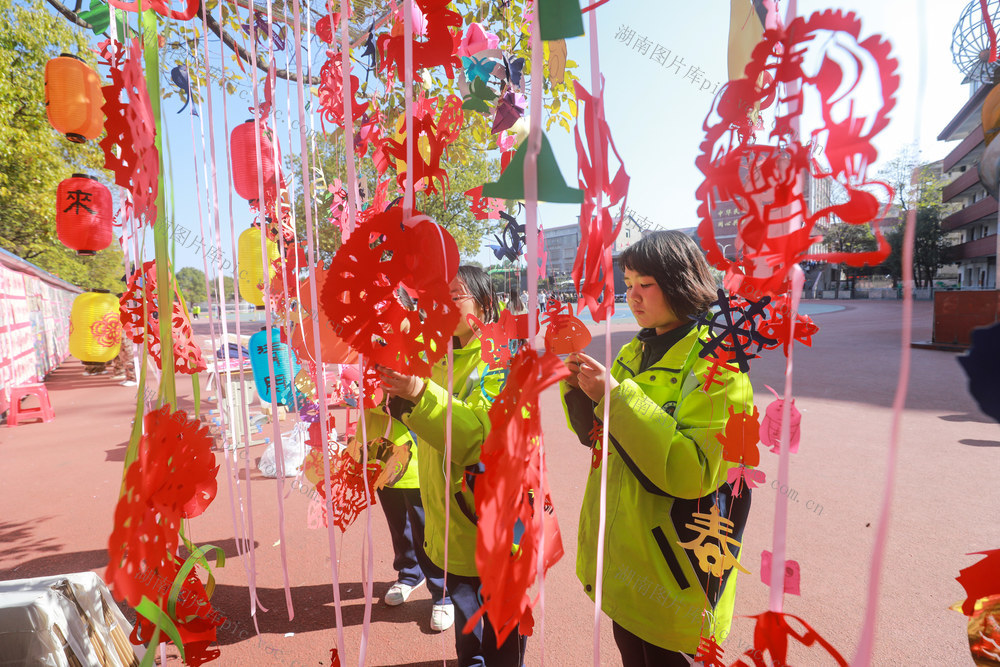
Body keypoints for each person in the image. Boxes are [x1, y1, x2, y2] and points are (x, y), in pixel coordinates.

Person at [561, 231, 753, 666]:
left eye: (644, 284)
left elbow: (695, 472)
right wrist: (579, 392)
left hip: (676, 571)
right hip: (626, 557)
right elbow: (598, 438)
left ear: (680, 281)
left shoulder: (717, 362)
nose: (633, 296)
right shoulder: (634, 350)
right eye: (627, 284)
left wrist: (613, 398)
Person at [378, 266, 525, 667]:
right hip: (450, 526)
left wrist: (419, 393)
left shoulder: (501, 358)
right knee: (468, 641)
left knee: (500, 643)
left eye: (455, 295)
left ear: (485, 302)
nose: (442, 306)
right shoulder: (435, 356)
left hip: (493, 529)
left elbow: (479, 440)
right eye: (435, 298)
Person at [364, 287, 454, 633]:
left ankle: (442, 591)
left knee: (425, 521)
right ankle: (408, 572)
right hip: (378, 448)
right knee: (396, 517)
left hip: (416, 450)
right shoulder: (358, 346)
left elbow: (428, 390)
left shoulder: (422, 341)